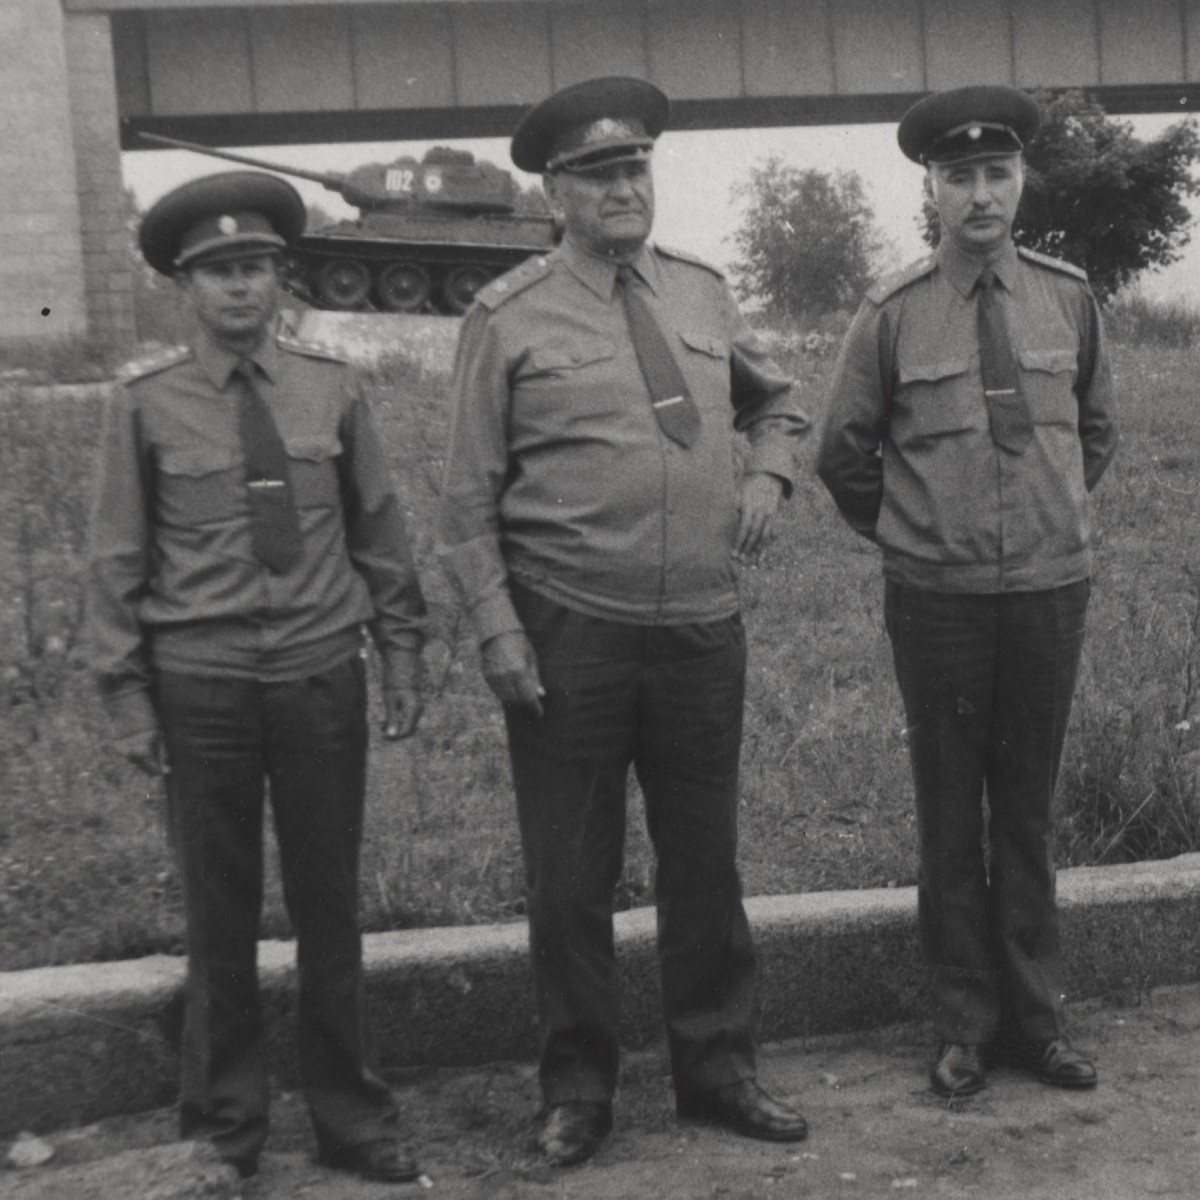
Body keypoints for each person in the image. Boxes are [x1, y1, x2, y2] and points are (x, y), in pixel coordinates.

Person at [438, 76, 811, 1167]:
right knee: (571, 876)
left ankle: (719, 1068)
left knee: (706, 862)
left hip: (701, 627)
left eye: (635, 169)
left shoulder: (699, 292)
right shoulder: (506, 318)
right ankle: (578, 1091)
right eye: (598, 177)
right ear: (556, 193)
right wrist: (500, 631)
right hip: (572, 632)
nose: (623, 191)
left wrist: (770, 478)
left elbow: (776, 401)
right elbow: (465, 500)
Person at [86, 170, 428, 1182]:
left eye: (259, 270)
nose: (242, 290)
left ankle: (349, 1114)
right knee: (218, 913)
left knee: (331, 908)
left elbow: (379, 527)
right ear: (187, 289)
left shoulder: (333, 389)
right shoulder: (143, 407)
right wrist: (124, 695)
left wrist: (401, 648)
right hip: (203, 687)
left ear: (284, 280)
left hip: (322, 674)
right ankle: (225, 1125)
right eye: (220, 273)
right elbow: (113, 562)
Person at [816, 86, 1118, 1099]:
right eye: (959, 177)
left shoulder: (1067, 297)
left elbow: (1097, 432)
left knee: (1025, 811)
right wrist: (917, 533)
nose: (980, 194)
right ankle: (963, 1026)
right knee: (951, 813)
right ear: (932, 189)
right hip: (937, 600)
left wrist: (1044, 517)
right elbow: (844, 451)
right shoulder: (892, 313)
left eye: (997, 173)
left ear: (1022, 179)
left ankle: (1041, 1022)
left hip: (1045, 591)